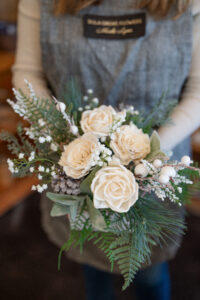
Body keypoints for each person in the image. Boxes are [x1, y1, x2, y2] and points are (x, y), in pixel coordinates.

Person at [13, 0, 200, 299]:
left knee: (149, 270)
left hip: (155, 167)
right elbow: (27, 75)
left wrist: (144, 155)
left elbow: (197, 90)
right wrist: (71, 141)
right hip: (75, 162)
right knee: (91, 260)